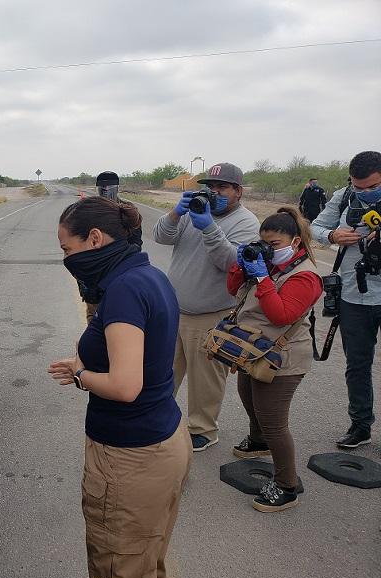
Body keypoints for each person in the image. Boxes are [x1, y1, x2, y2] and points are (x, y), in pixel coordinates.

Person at [48, 197, 191, 578]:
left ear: (94, 238)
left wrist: (80, 375)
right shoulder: (148, 275)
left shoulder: (125, 290)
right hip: (163, 438)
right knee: (146, 564)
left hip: (131, 456)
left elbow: (126, 386)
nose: (66, 259)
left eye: (67, 249)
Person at [153, 162, 260, 451]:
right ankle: (158, 417)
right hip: (175, 309)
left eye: (222, 188)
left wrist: (210, 228)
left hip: (211, 313)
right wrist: (177, 213)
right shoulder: (196, 210)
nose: (214, 193)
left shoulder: (246, 222)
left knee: (206, 380)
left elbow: (231, 264)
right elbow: (161, 236)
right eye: (210, 187)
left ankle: (203, 429)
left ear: (238, 191)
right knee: (163, 370)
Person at [227, 208, 323, 512]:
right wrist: (240, 266)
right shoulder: (271, 264)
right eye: (264, 243)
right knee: (247, 395)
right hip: (254, 347)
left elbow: (281, 315)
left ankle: (286, 485)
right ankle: (258, 442)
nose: (269, 249)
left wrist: (262, 276)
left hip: (284, 357)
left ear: (295, 241)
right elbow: (233, 292)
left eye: (275, 244)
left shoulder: (305, 275)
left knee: (273, 420)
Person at [311, 150, 381, 448]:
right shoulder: (342, 197)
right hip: (355, 295)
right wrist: (332, 236)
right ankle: (360, 426)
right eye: (358, 187)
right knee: (358, 365)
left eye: (372, 187)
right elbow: (313, 226)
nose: (364, 193)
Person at [76, 172, 143, 323]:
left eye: (110, 188)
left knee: (119, 324)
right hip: (95, 278)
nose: (106, 192)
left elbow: (136, 247)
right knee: (94, 329)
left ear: (117, 188)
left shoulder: (128, 211)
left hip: (120, 278)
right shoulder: (88, 211)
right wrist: (85, 283)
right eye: (103, 188)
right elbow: (78, 249)